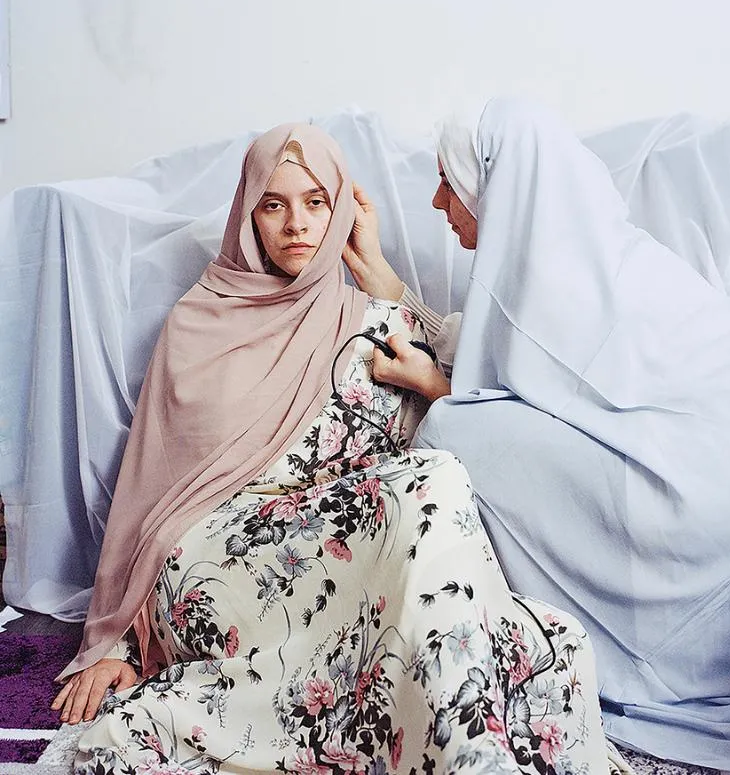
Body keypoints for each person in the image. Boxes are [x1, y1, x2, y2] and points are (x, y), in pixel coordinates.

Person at [51, 123, 630, 775]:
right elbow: (145, 493)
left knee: (549, 637)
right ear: (248, 214)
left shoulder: (379, 329)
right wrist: (116, 639)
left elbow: (462, 438)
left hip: (344, 565)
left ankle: (472, 747)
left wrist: (390, 301)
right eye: (273, 204)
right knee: (434, 494)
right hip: (212, 567)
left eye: (315, 202)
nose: (296, 223)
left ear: (341, 212)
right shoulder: (198, 323)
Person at [346, 97, 730, 775]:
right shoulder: (595, 255)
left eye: (450, 180)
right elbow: (515, 351)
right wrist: (395, 292)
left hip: (726, 496)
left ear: (497, 184)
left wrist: (440, 392)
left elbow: (525, 392)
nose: (438, 201)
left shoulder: (566, 275)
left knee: (448, 433)